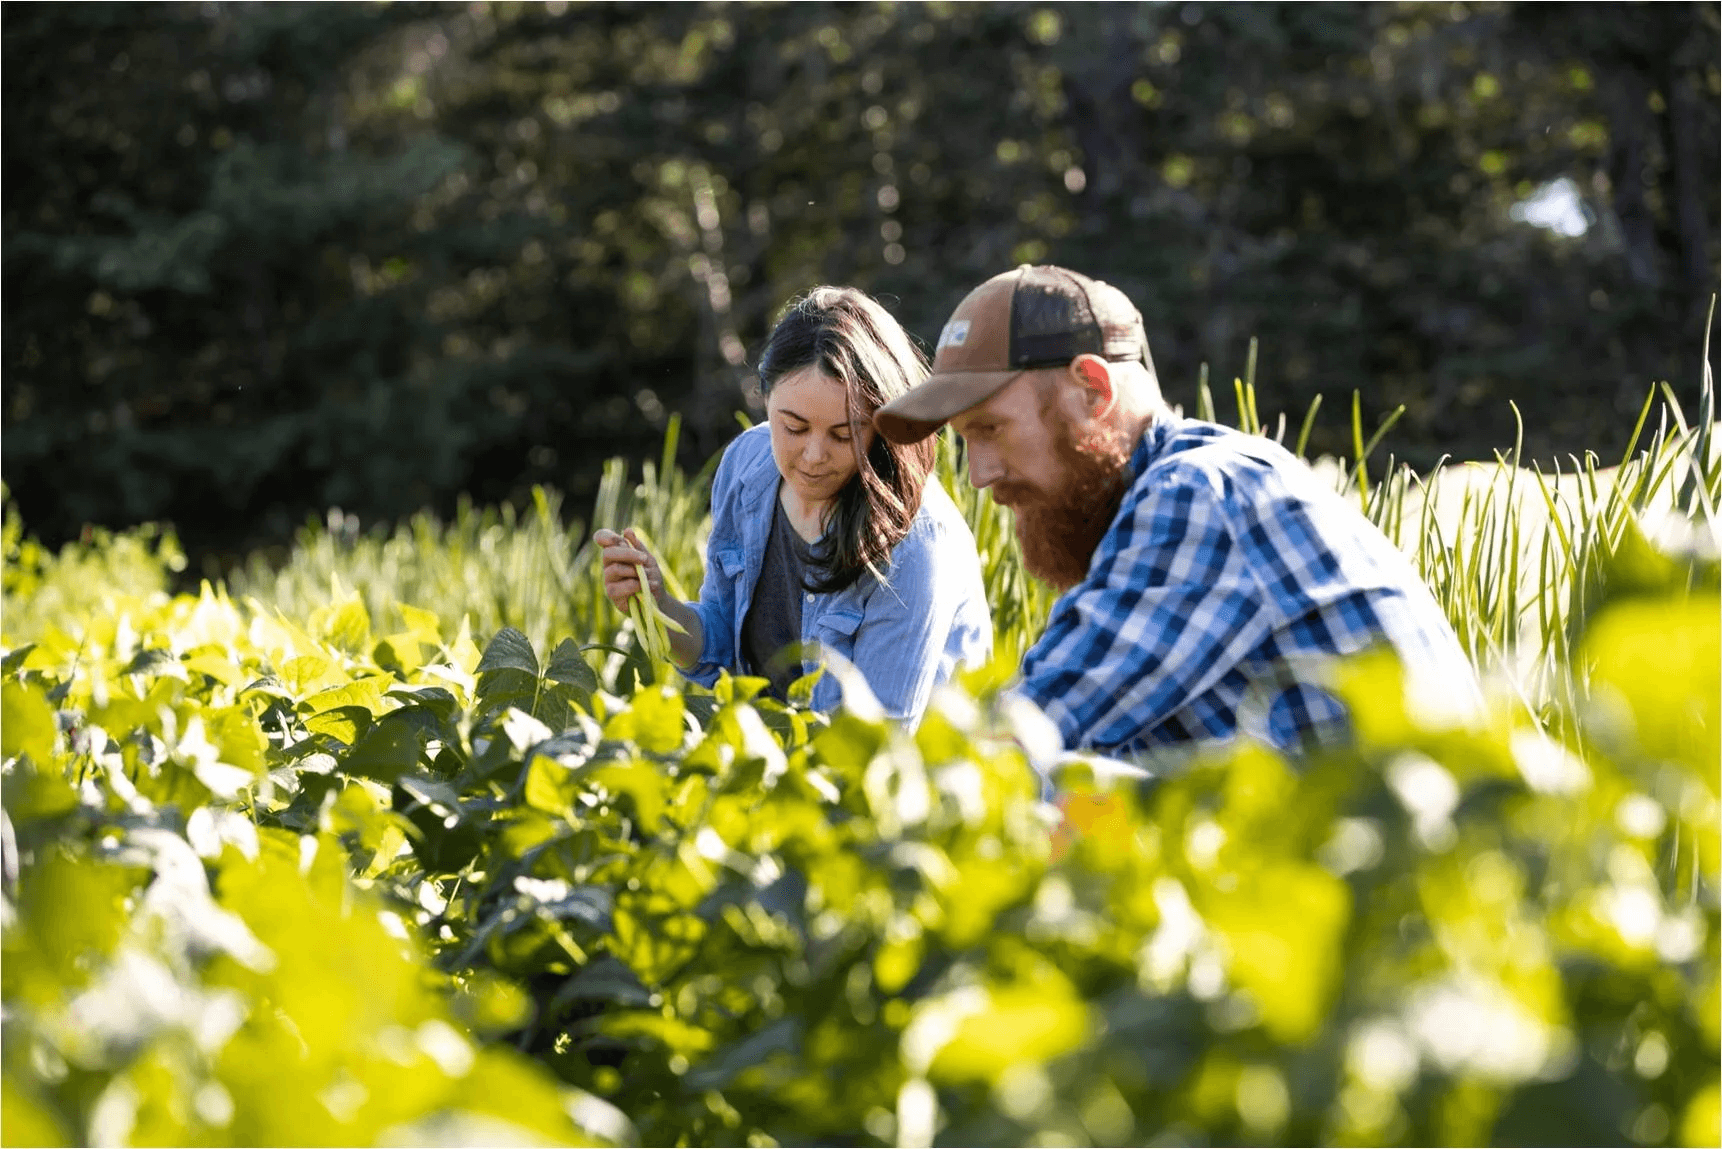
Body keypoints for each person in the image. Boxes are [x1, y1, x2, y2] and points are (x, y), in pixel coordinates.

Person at [872, 264, 1481, 759]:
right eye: (965, 441)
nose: (980, 475)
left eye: (991, 429)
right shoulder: (1177, 496)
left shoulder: (1202, 494)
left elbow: (1017, 740)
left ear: (1093, 390)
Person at [596, 286, 993, 723]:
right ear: (766, 398)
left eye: (844, 435)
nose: (814, 456)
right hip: (774, 753)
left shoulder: (915, 539)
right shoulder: (748, 466)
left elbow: (877, 741)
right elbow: (722, 650)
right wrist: (658, 607)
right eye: (794, 428)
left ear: (882, 427)